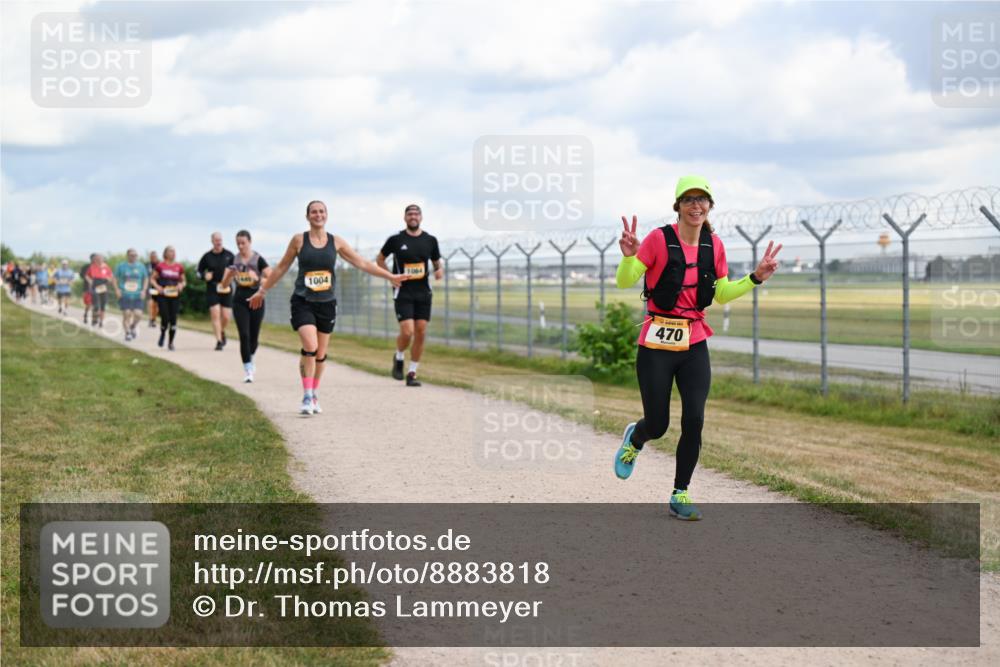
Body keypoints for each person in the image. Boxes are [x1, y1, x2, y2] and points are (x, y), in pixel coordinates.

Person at [613, 175, 782, 520]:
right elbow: (625, 280)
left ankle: (680, 493)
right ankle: (636, 438)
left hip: (694, 342)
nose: (696, 205)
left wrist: (755, 278)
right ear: (677, 206)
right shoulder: (659, 240)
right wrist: (630, 257)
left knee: (694, 419)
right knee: (658, 424)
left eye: (702, 199)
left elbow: (720, 294)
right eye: (688, 199)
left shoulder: (713, 246)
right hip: (656, 343)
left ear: (709, 206)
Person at [249, 200, 407, 415]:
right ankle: (306, 396)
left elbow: (362, 263)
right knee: (310, 346)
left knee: (321, 354)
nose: (318, 215)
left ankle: (314, 393)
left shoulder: (336, 242)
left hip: (327, 303)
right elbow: (281, 268)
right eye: (314, 212)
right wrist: (262, 290)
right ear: (307, 216)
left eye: (321, 211)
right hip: (303, 301)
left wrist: (390, 276)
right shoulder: (298, 240)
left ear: (327, 215)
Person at [376, 204, 442, 387]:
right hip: (403, 291)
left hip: (423, 293)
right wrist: (391, 276)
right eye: (410, 214)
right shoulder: (396, 240)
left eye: (416, 214)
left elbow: (437, 262)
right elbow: (379, 259)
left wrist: (439, 271)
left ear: (421, 217)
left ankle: (412, 373)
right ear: (405, 218)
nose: (413, 216)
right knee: (408, 331)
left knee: (421, 332)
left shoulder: (430, 240)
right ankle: (398, 356)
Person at [220, 230, 271, 382]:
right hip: (240, 300)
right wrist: (230, 275)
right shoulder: (233, 260)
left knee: (254, 337)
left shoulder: (258, 259)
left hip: (256, 300)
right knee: (244, 335)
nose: (241, 246)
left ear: (250, 242)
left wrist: (258, 279)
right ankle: (248, 368)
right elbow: (224, 284)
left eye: (243, 243)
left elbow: (271, 276)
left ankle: (251, 356)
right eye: (238, 244)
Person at [198, 232, 236, 351]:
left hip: (226, 288)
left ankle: (222, 331)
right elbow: (198, 272)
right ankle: (219, 341)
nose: (218, 242)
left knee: (226, 316)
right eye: (216, 240)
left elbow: (236, 270)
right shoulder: (207, 256)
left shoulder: (229, 255)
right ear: (212, 241)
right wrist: (204, 275)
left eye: (220, 240)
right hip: (212, 288)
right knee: (215, 314)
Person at [151, 246, 186, 350]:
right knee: (165, 318)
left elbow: (183, 280)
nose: (173, 253)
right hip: (163, 296)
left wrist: (181, 285)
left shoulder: (179, 266)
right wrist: (158, 287)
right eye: (170, 251)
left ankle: (171, 342)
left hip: (175, 296)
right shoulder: (160, 266)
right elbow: (152, 279)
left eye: (174, 252)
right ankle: (162, 333)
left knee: (173, 319)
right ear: (165, 254)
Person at [115, 248, 150, 341]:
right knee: (127, 314)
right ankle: (127, 333)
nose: (134, 257)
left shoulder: (141, 267)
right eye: (131, 255)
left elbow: (146, 278)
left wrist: (144, 290)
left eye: (135, 255)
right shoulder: (121, 266)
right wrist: (117, 290)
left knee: (138, 314)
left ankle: (133, 326)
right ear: (128, 256)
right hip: (125, 294)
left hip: (137, 294)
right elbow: (114, 278)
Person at [84, 253, 117, 328]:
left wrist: (109, 279)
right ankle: (94, 319)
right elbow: (86, 276)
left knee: (103, 305)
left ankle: (101, 322)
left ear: (103, 259)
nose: (98, 260)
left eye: (100, 259)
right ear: (95, 260)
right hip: (95, 285)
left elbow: (111, 276)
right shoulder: (92, 267)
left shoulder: (106, 267)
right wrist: (90, 281)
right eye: (96, 259)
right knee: (96, 305)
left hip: (103, 286)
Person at [147, 250, 160, 327]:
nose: (153, 258)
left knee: (156, 305)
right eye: (152, 256)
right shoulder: (147, 265)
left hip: (157, 286)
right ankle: (150, 319)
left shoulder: (160, 265)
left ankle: (153, 319)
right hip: (149, 286)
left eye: (154, 256)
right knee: (150, 303)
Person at [80, 257, 94, 323]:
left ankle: (94, 319)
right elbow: (81, 275)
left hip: (97, 288)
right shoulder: (86, 267)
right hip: (87, 288)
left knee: (96, 304)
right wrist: (88, 279)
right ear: (91, 259)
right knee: (89, 304)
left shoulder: (99, 267)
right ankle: (86, 314)